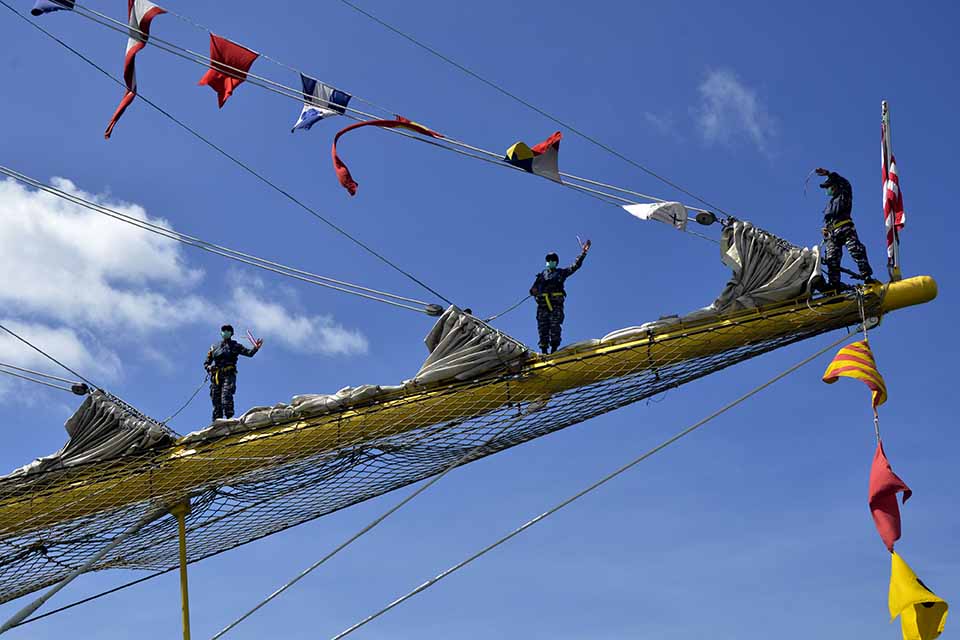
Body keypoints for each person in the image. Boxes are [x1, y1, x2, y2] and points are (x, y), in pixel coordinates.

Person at [816, 167, 875, 290]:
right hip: (832, 235)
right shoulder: (830, 204)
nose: (827, 189)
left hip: (845, 228)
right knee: (831, 260)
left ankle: (867, 278)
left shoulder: (845, 193)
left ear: (835, 185)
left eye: (829, 186)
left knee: (856, 251)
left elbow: (844, 182)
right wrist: (825, 230)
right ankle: (834, 286)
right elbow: (828, 220)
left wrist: (828, 173)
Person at [529, 240, 591, 353]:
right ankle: (544, 351)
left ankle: (554, 350)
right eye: (548, 260)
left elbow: (575, 266)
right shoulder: (541, 276)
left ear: (556, 262)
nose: (550, 261)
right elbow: (533, 288)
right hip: (542, 306)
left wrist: (583, 253)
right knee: (543, 329)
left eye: (552, 260)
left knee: (555, 327)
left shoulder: (561, 273)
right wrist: (533, 291)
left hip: (555, 306)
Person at [204, 324, 263, 421]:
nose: (225, 332)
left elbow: (249, 353)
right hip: (216, 377)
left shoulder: (235, 346)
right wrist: (210, 368)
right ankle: (216, 423)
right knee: (216, 400)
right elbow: (207, 363)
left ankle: (229, 419)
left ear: (231, 333)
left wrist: (256, 348)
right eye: (224, 330)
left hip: (228, 375)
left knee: (226, 397)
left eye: (228, 330)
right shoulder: (214, 347)